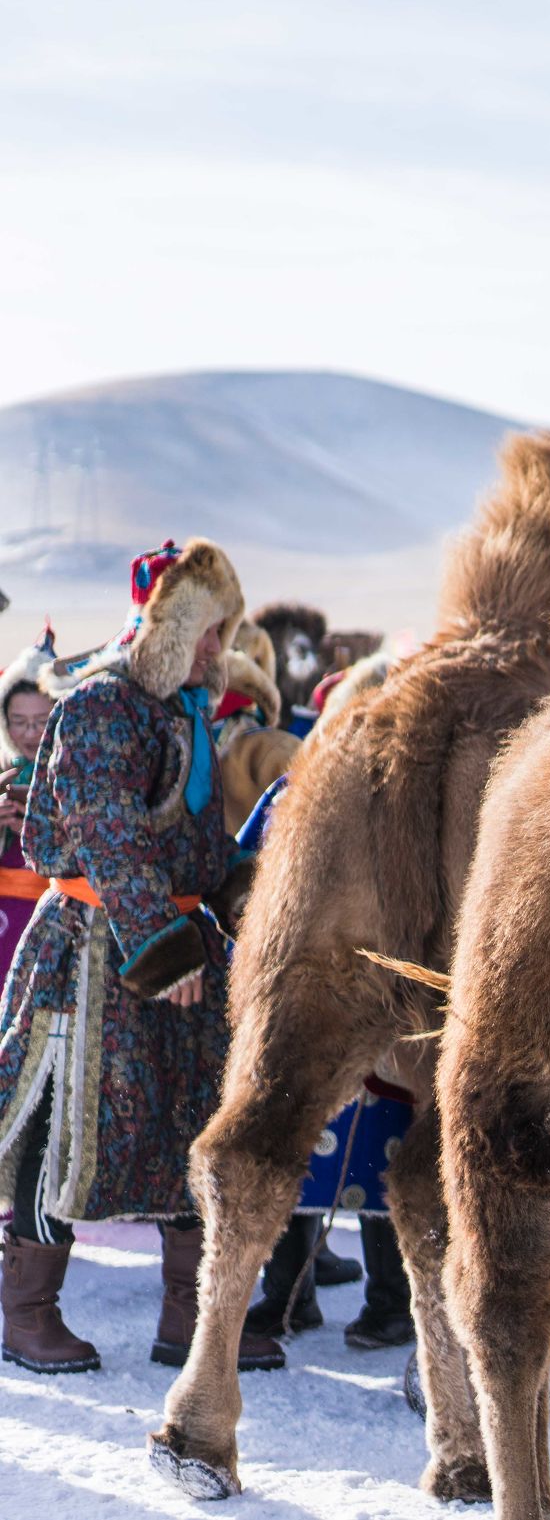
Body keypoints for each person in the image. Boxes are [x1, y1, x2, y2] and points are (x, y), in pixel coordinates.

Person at [0, 542, 282, 1373]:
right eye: (205, 629)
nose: (216, 649)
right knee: (63, 1128)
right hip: (93, 956)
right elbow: (110, 837)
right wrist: (164, 947)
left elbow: (198, 842)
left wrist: (248, 897)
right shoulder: (97, 708)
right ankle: (26, 1312)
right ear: (169, 625)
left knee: (194, 1125)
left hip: (176, 956)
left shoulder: (183, 711)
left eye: (224, 631)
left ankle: (186, 1320)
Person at [1, 629, 61, 983]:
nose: (29, 734)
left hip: (52, 924)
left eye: (41, 722)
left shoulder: (79, 779)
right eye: (19, 722)